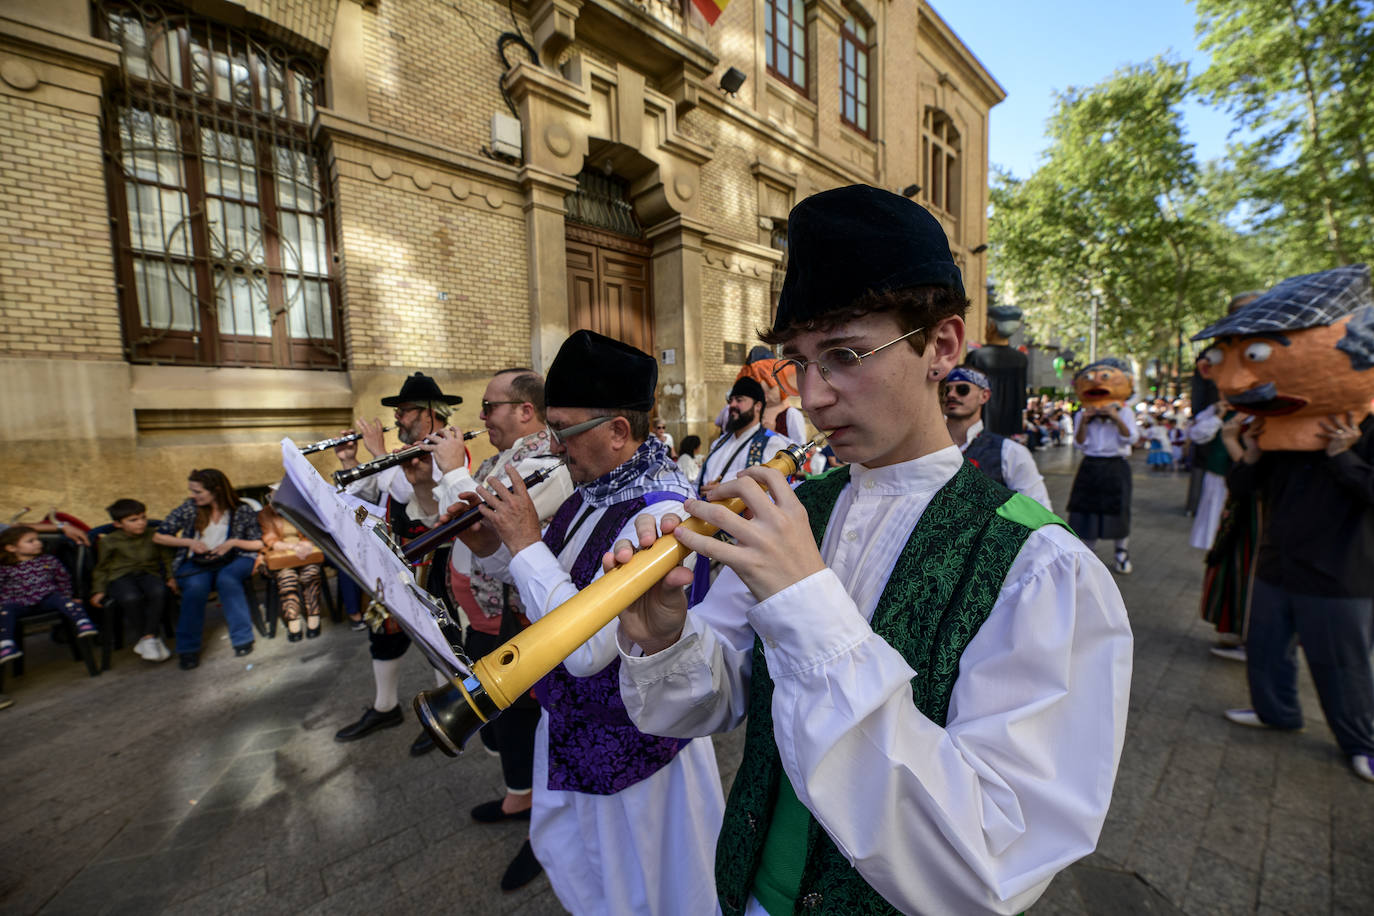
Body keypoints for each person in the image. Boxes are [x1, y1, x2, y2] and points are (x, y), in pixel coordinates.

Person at [611, 184, 1133, 914]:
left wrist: (808, 609)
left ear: (942, 346)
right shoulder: (796, 512)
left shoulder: (1042, 565)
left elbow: (993, 862)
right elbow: (721, 698)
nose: (814, 397)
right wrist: (664, 635)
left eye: (846, 354)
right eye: (800, 362)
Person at [450, 329, 724, 915]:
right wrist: (492, 545)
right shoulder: (591, 488)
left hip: (637, 752)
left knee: (653, 890)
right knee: (585, 872)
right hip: (575, 727)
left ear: (618, 431)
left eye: (564, 431)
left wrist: (523, 542)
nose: (554, 446)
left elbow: (585, 647)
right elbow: (555, 577)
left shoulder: (663, 511)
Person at [1193, 265, 1374, 783]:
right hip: (1278, 561)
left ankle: (1361, 739)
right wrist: (1244, 453)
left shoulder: (1364, 424)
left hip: (1341, 570)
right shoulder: (1276, 429)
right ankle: (1277, 711)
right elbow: (1248, 493)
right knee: (1267, 647)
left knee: (1343, 663)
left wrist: (1345, 458)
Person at [420, 367, 573, 890]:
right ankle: (520, 797)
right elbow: (452, 527)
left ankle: (542, 829)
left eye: (490, 407)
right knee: (504, 723)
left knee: (528, 721)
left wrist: (452, 472)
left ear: (525, 410)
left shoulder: (545, 464)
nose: (480, 418)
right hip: (484, 613)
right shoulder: (499, 459)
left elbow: (488, 530)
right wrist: (430, 479)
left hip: (519, 619)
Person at [333, 373, 464, 749]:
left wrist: (378, 455)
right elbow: (370, 492)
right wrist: (352, 460)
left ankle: (448, 710)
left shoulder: (450, 446)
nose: (398, 419)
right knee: (383, 631)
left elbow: (413, 493)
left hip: (434, 561)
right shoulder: (401, 453)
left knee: (437, 637)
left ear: (429, 413)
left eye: (405, 411)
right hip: (397, 559)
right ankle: (385, 705)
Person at [154, 469, 262, 669]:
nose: (192, 496)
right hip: (199, 561)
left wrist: (232, 543)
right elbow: (159, 536)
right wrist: (189, 543)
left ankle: (242, 638)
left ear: (217, 491)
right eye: (191, 491)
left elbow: (257, 543)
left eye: (197, 492)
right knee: (195, 588)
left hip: (236, 557)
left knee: (227, 580)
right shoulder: (190, 508)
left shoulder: (242, 510)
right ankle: (188, 649)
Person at [942, 366, 1052, 509]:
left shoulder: (1010, 453)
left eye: (962, 389)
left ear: (985, 395)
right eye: (946, 390)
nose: (951, 395)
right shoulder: (924, 449)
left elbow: (1039, 513)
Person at [1068, 359, 1139, 574]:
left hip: (1116, 465)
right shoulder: (1082, 413)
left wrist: (1116, 418)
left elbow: (1132, 439)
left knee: (1118, 509)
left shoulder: (1125, 412)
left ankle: (1121, 553)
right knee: (1085, 509)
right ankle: (1086, 555)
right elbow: (1079, 443)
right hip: (1090, 463)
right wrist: (1084, 422)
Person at [90, 498, 174, 662]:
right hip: (120, 576)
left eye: (143, 517)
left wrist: (171, 577)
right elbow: (102, 567)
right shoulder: (109, 541)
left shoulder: (153, 535)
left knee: (159, 591)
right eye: (133, 520)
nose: (141, 523)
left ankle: (147, 638)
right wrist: (98, 589)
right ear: (118, 524)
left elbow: (167, 557)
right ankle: (151, 638)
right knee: (131, 597)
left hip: (149, 573)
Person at [1, 525, 98, 664]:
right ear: (11, 548)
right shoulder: (5, 568)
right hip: (19, 603)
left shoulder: (48, 560)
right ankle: (6, 644)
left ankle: (83, 622)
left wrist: (68, 595)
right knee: (5, 611)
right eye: (31, 541)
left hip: (47, 598)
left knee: (64, 600)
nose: (38, 543)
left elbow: (63, 578)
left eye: (37, 539)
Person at [698, 377, 794, 501]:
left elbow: (770, 492)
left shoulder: (773, 443)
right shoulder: (718, 443)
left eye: (739, 400)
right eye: (731, 400)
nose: (732, 405)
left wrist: (724, 491)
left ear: (757, 406)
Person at [257, 499, 324, 642]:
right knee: (287, 577)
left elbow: (310, 532)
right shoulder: (266, 514)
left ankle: (314, 614)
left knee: (310, 574)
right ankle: (293, 617)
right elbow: (271, 540)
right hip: (283, 554)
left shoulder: (300, 509)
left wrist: (305, 545)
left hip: (306, 552)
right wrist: (294, 548)